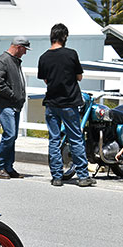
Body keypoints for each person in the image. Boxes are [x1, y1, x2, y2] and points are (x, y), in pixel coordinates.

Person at [38, 23, 96, 187]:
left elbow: (46, 80)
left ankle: (57, 177)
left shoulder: (43, 57)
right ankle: (83, 177)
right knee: (76, 139)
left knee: (54, 140)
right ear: (64, 37)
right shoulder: (71, 54)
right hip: (69, 103)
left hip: (51, 103)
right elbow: (79, 77)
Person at [0, 36, 30, 179]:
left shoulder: (13, 61)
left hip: (13, 105)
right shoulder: (2, 61)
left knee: (11, 136)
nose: (25, 52)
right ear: (19, 47)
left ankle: (8, 166)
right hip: (6, 105)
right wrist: (13, 95)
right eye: (25, 49)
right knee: (10, 135)